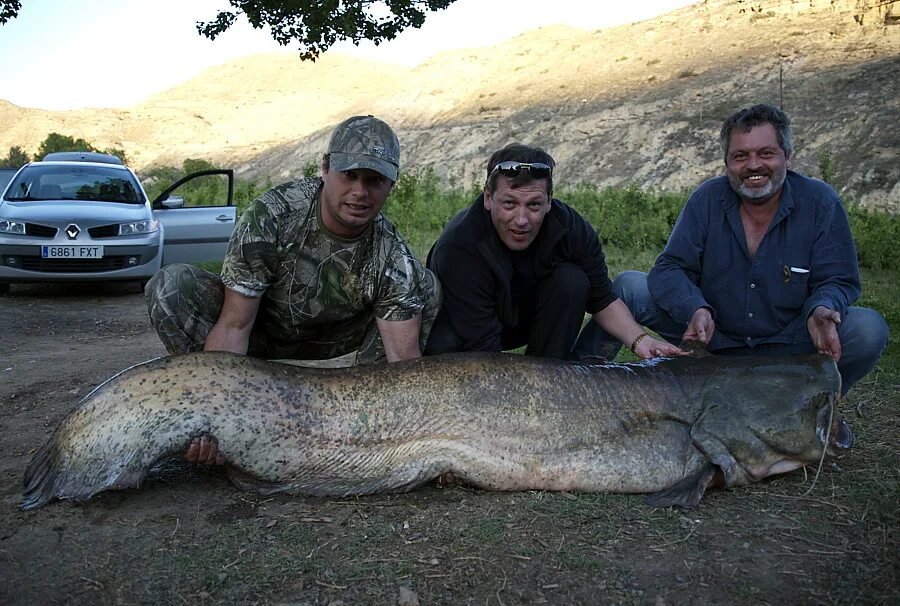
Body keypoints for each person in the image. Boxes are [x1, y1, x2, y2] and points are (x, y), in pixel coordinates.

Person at [145, 115, 440, 465]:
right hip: (260, 343)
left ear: (392, 183)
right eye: (349, 175)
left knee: (426, 286)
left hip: (337, 362)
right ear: (325, 169)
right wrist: (215, 416)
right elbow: (234, 326)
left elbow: (403, 367)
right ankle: (222, 419)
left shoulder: (393, 255)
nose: (360, 192)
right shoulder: (272, 216)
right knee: (170, 286)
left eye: (375, 180)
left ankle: (358, 428)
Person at [593, 103, 888, 394]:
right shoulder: (706, 199)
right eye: (740, 156)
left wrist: (822, 308)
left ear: (788, 156)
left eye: (766, 153)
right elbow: (671, 267)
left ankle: (818, 408)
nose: (753, 165)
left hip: (791, 342)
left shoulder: (821, 202)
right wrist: (695, 308)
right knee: (629, 286)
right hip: (713, 339)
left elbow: (838, 279)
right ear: (726, 162)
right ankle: (581, 375)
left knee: (867, 328)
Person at [424, 143, 682, 361]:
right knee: (446, 344)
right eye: (509, 204)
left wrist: (641, 341)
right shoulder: (458, 246)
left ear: (549, 201)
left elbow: (602, 299)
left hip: (527, 318)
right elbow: (482, 343)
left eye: (534, 204)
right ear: (488, 199)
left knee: (573, 281)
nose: (522, 219)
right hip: (462, 326)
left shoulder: (570, 227)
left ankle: (547, 374)